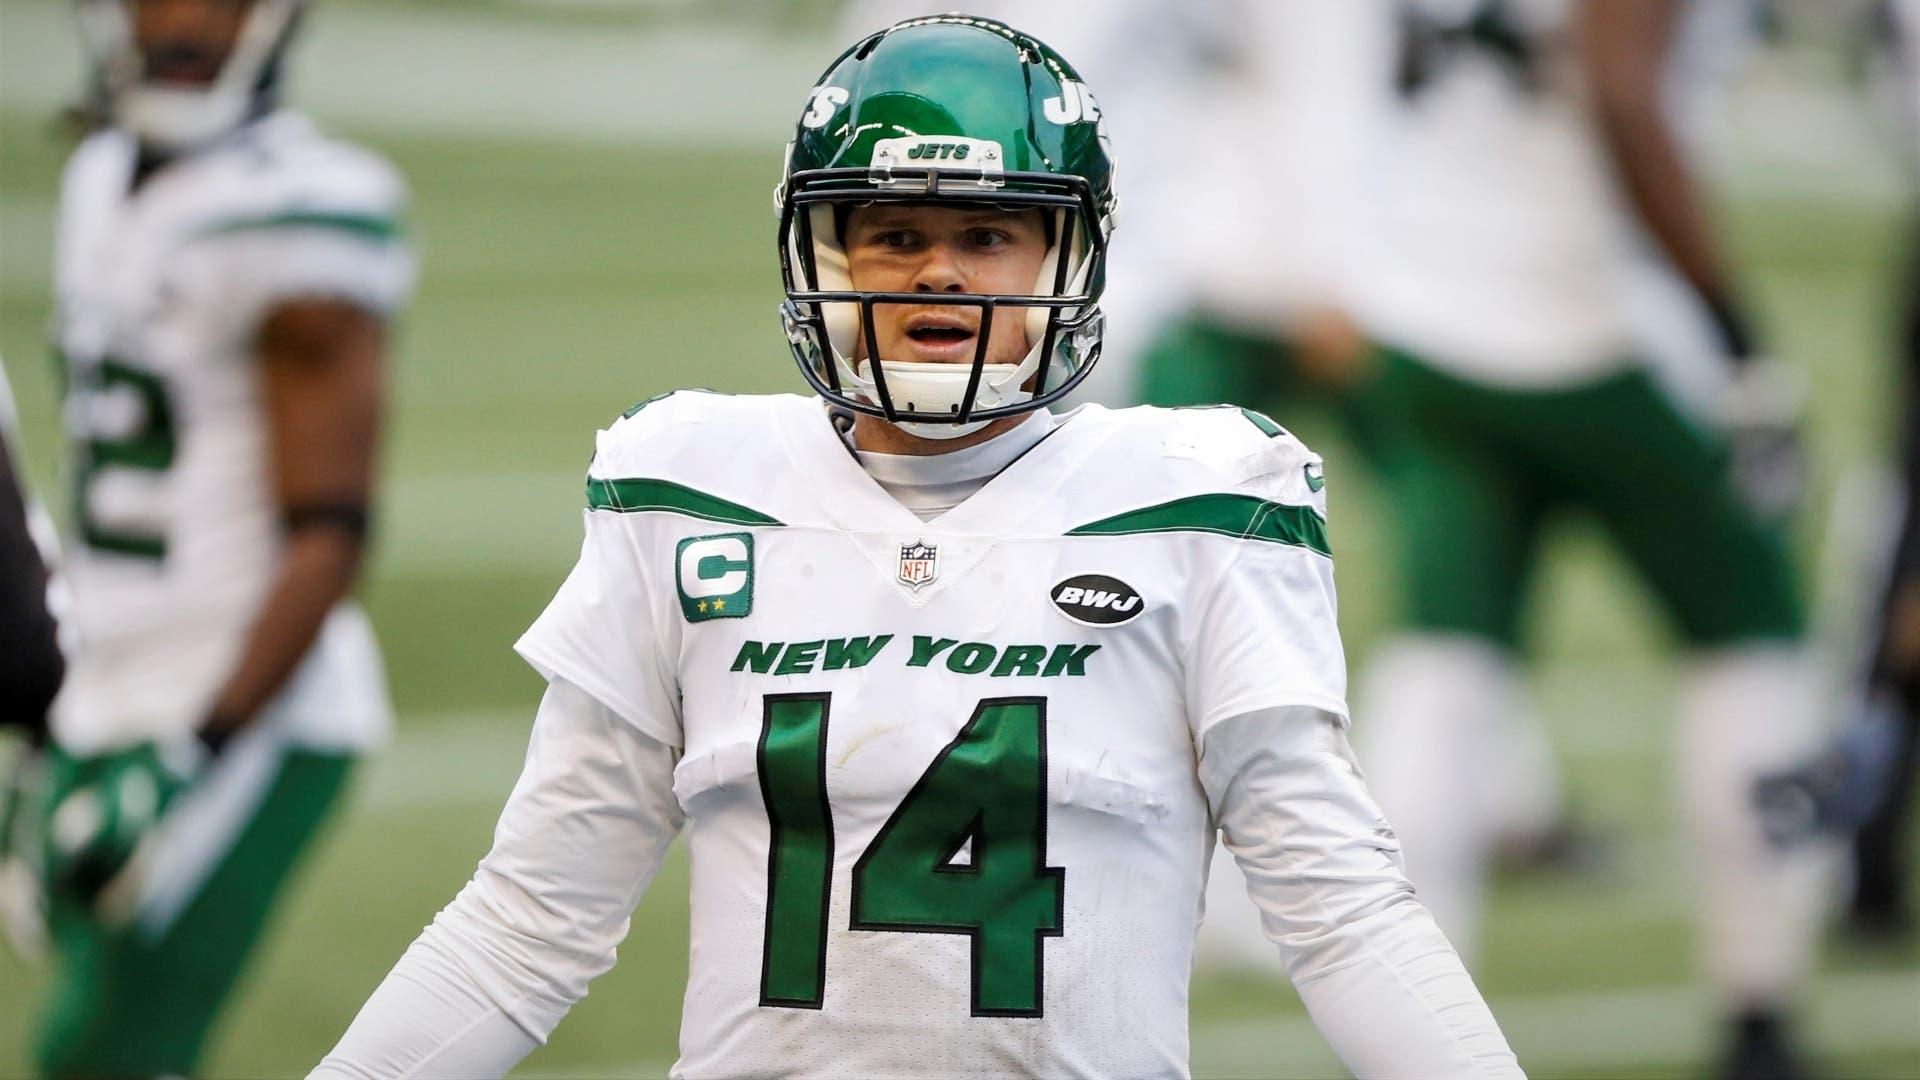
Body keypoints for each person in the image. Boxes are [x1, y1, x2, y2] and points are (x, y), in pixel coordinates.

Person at [313, 16, 1520, 1079]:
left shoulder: (1197, 506)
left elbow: (1344, 913)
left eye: (991, 234)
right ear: (823, 258)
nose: (940, 268)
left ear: (1071, 257)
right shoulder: (689, 493)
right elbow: (529, 922)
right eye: (892, 234)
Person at [1324, 1, 1826, 1076]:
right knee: (1751, 630)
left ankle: (1403, 1030)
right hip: (1598, 323)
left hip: (1426, 301)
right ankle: (1759, 1008)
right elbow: (1622, 92)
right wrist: (1737, 334)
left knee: (1444, 651)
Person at [26, 1, 415, 1074]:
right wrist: (60, 715)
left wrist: (193, 749)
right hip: (113, 685)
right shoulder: (100, 175)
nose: (185, 17)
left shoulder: (301, 211)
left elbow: (330, 535)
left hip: (248, 711)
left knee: (102, 1054)